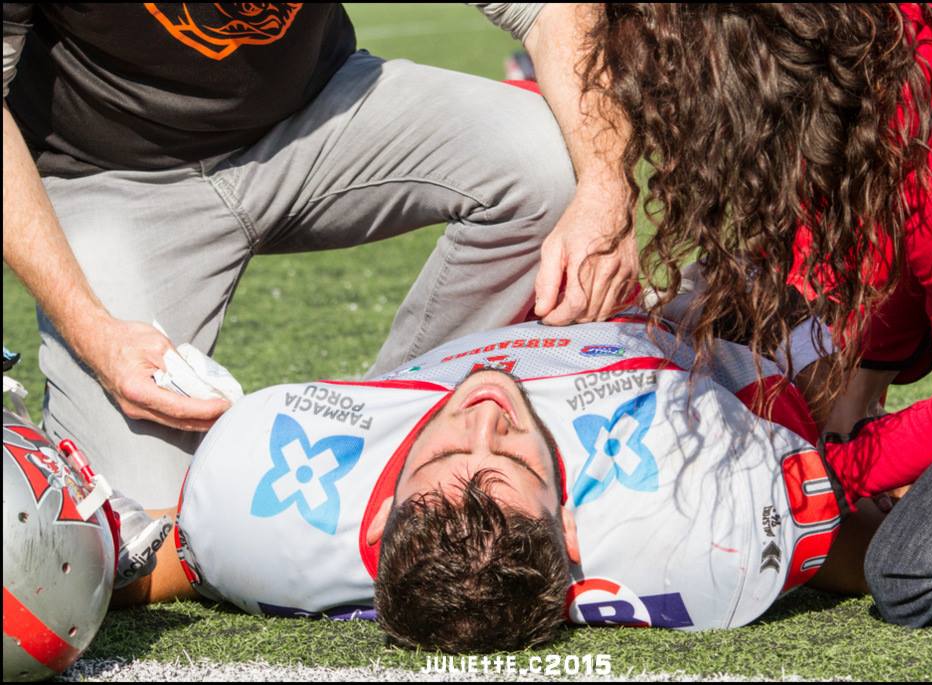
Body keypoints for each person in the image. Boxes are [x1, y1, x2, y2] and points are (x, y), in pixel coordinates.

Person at [1, 4, 638, 512]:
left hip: (315, 113)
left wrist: (609, 186)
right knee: (145, 521)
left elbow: (551, 9)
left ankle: (396, 423)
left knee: (548, 169)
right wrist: (93, 329)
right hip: (112, 175)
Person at [113, 304, 914, 652]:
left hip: (512, 311)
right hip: (712, 351)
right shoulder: (682, 521)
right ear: (570, 530)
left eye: (442, 455)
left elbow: (168, 556)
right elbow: (860, 546)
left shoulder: (272, 514)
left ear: (385, 504)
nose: (485, 417)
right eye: (515, 462)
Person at [581, 4, 932, 626]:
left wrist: (817, 470)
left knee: (912, 572)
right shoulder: (880, 53)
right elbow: (893, 231)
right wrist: (866, 374)